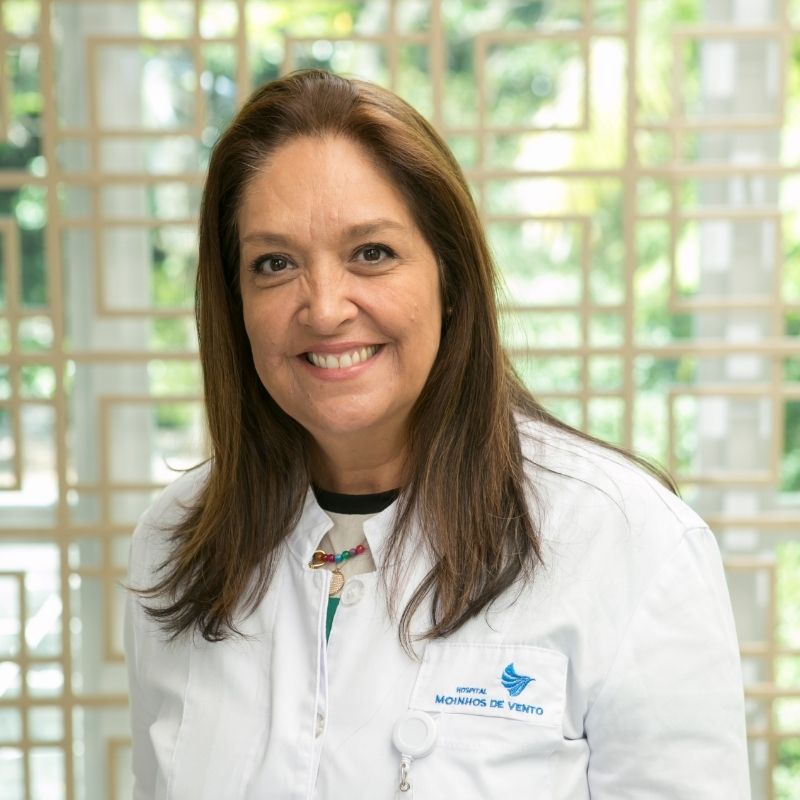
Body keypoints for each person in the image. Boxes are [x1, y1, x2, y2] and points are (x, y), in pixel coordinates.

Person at [124, 69, 750, 799]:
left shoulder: (628, 541)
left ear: (450, 280)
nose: (324, 309)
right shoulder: (177, 542)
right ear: (233, 302)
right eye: (275, 264)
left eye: (371, 253)